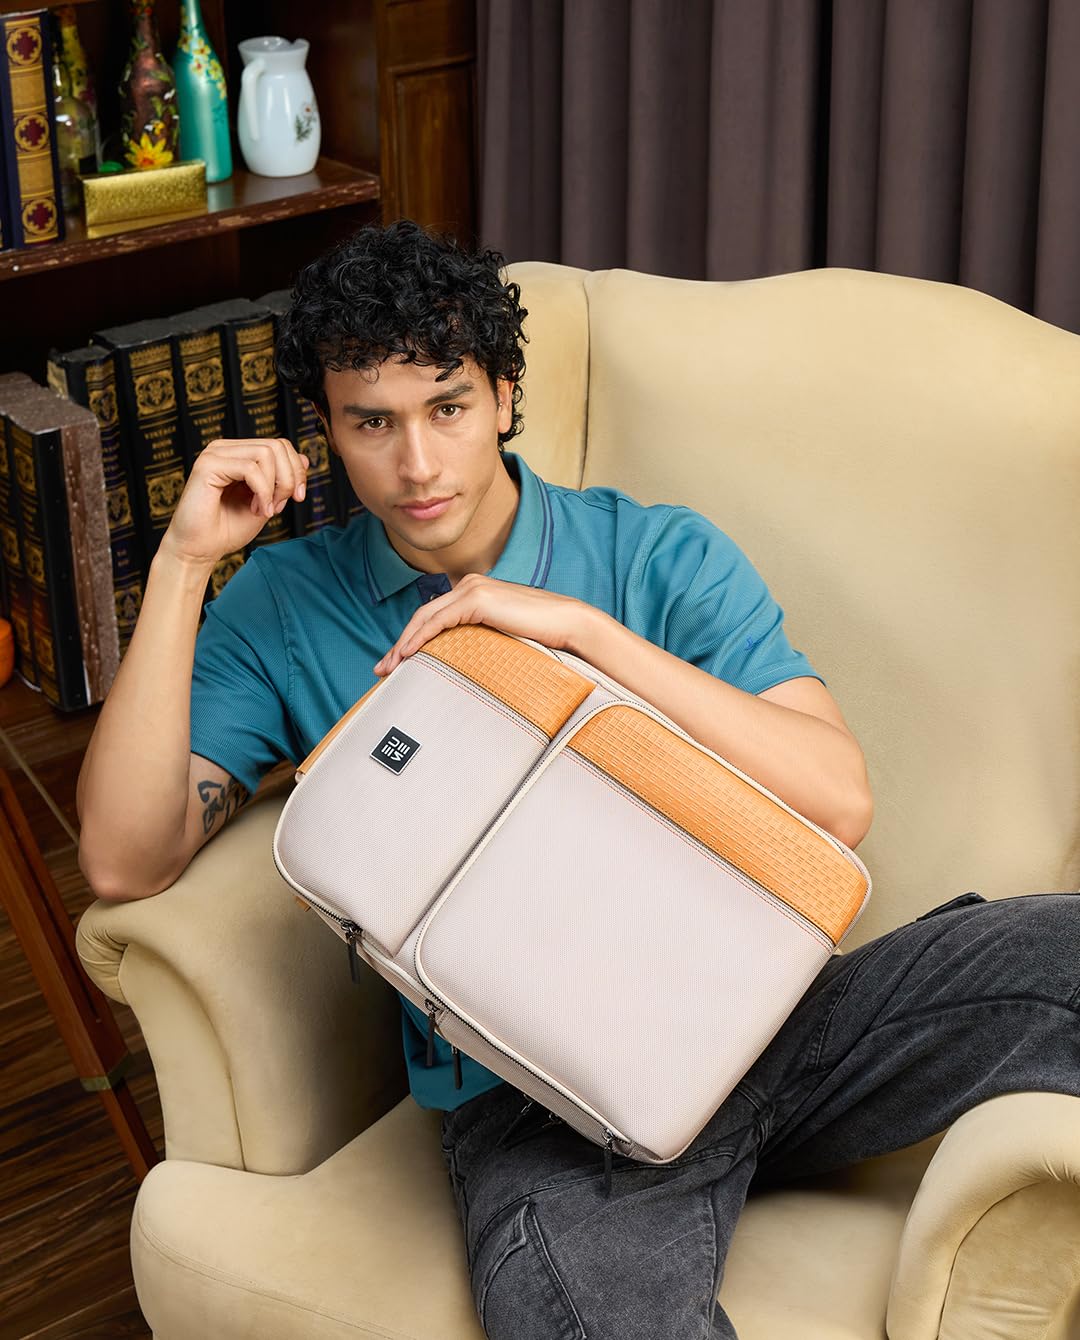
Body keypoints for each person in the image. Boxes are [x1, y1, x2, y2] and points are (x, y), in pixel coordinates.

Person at [76, 221, 1080, 1339]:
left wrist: (584, 636)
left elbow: (836, 799)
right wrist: (183, 564)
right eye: (373, 422)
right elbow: (123, 857)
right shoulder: (283, 604)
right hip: (539, 1108)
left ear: (506, 396)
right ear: (328, 430)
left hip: (781, 1026)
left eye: (448, 407)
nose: (418, 465)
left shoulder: (656, 556)